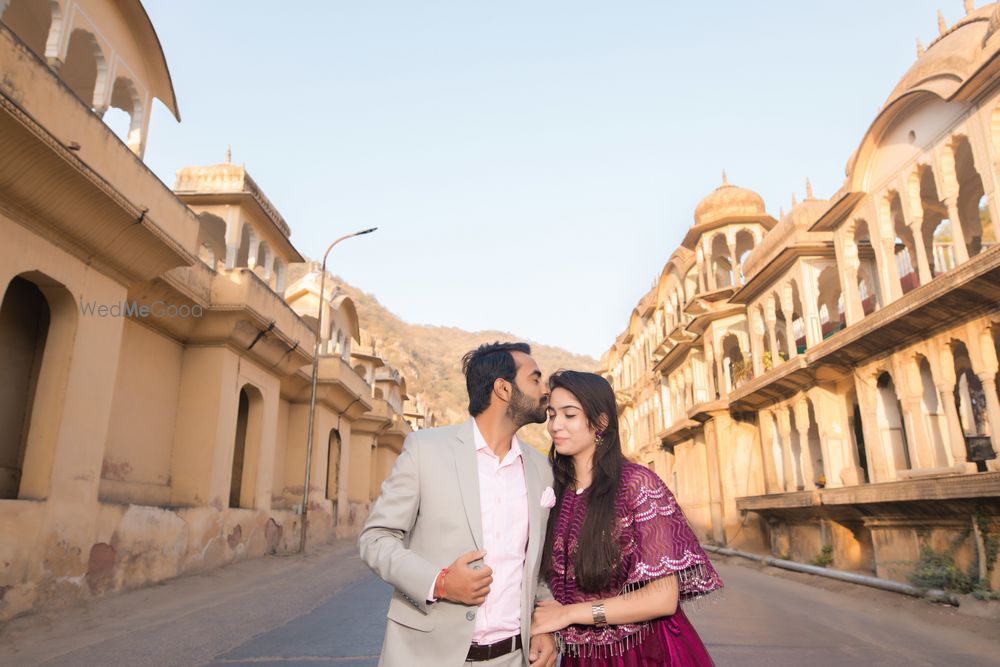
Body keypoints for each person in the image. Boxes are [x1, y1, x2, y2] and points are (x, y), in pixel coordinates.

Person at [360, 342, 559, 667]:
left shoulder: (542, 470)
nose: (546, 389)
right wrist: (439, 582)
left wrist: (543, 627)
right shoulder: (425, 450)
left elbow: (537, 569)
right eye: (535, 378)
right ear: (504, 388)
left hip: (514, 657)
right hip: (427, 656)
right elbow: (375, 539)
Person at [531, 370, 722, 666]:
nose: (555, 425)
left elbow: (662, 598)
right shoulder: (553, 489)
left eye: (570, 415)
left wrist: (568, 614)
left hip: (644, 651)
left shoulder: (636, 484)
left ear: (601, 422)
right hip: (581, 657)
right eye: (552, 414)